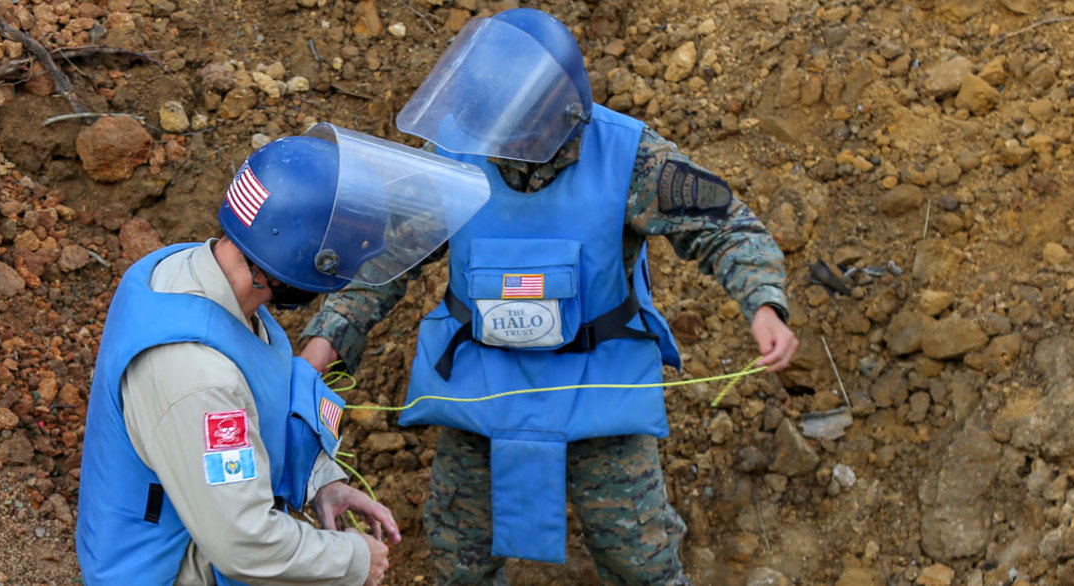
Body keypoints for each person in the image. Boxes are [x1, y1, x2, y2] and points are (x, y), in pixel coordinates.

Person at [297, 8, 799, 585]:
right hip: (482, 387)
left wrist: (764, 303)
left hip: (599, 389)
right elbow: (386, 259)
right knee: (459, 557)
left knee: (641, 560)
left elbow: (725, 226)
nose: (501, 145)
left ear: (558, 113)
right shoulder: (459, 154)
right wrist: (325, 341)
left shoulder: (630, 157)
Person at [78, 123, 491, 585]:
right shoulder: (196, 374)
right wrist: (354, 559)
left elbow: (262, 399)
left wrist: (323, 483)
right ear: (297, 257)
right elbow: (245, 543)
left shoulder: (193, 273)